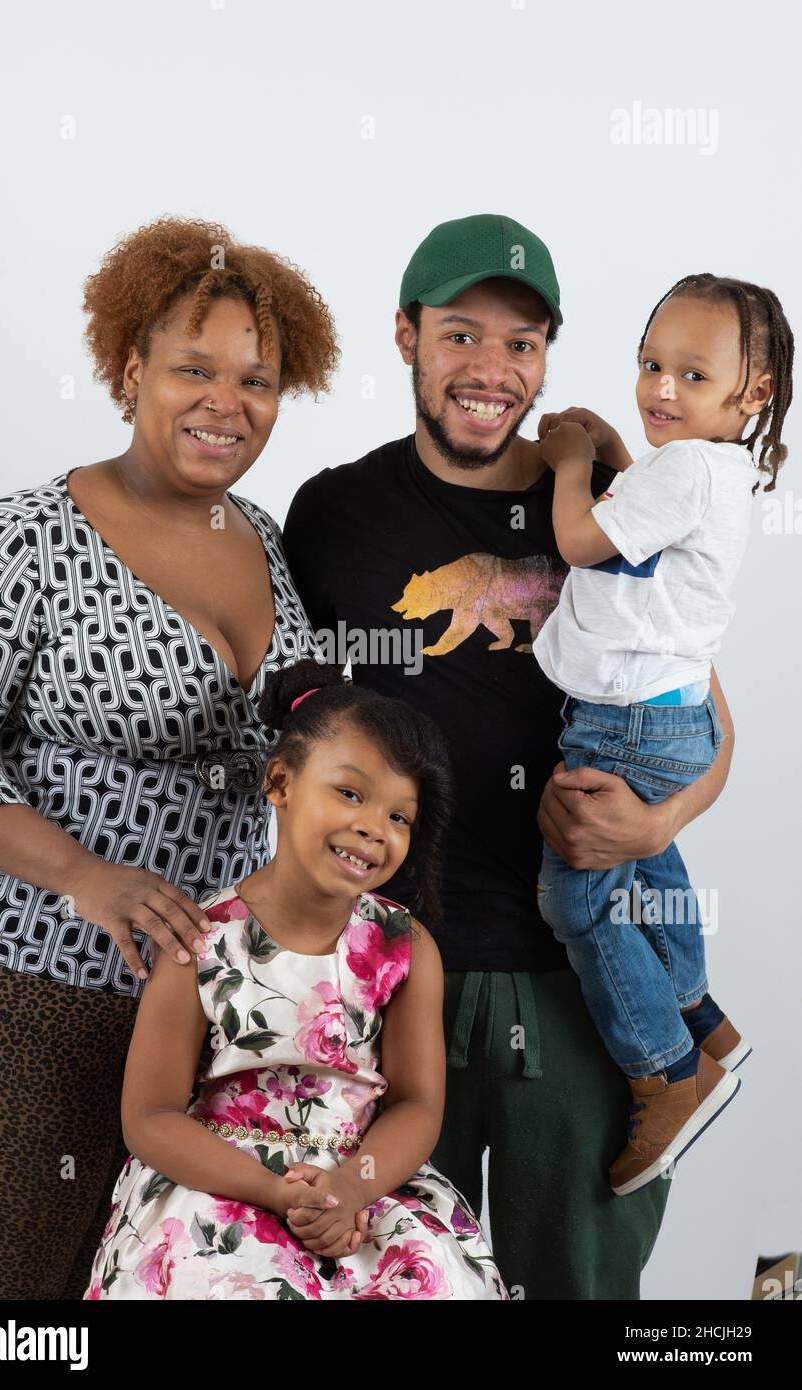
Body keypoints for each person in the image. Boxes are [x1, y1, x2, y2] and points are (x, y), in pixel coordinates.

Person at [283, 213, 738, 1299]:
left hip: (575, 983)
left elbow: (706, 719)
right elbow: (292, 726)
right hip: (386, 973)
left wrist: (661, 822)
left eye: (522, 343)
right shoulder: (332, 513)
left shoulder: (610, 500)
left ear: (546, 358)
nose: (491, 369)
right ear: (404, 336)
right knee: (384, 1278)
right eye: (459, 335)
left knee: (579, 1287)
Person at [0, 215, 339, 1299]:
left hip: (196, 1017)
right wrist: (85, 875)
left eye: (256, 379)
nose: (227, 401)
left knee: (145, 1282)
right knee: (0, 1289)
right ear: (128, 369)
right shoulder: (28, 538)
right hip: (21, 992)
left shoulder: (261, 538)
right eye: (193, 368)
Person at [83, 657, 508, 1300]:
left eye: (400, 816)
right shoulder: (197, 942)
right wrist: (273, 1191)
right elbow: (149, 1116)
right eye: (351, 793)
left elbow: (419, 1105)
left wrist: (350, 1189)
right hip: (223, 1182)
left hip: (358, 1183)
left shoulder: (405, 947)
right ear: (280, 782)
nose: (374, 827)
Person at [531, 273, 793, 1195]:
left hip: (626, 725)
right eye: (650, 365)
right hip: (666, 718)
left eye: (690, 374)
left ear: (750, 394)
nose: (661, 390)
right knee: (651, 875)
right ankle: (704, 1018)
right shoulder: (702, 467)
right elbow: (637, 516)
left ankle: (667, 1073)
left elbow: (580, 540)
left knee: (577, 900)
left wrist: (569, 459)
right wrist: (608, 446)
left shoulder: (684, 469)